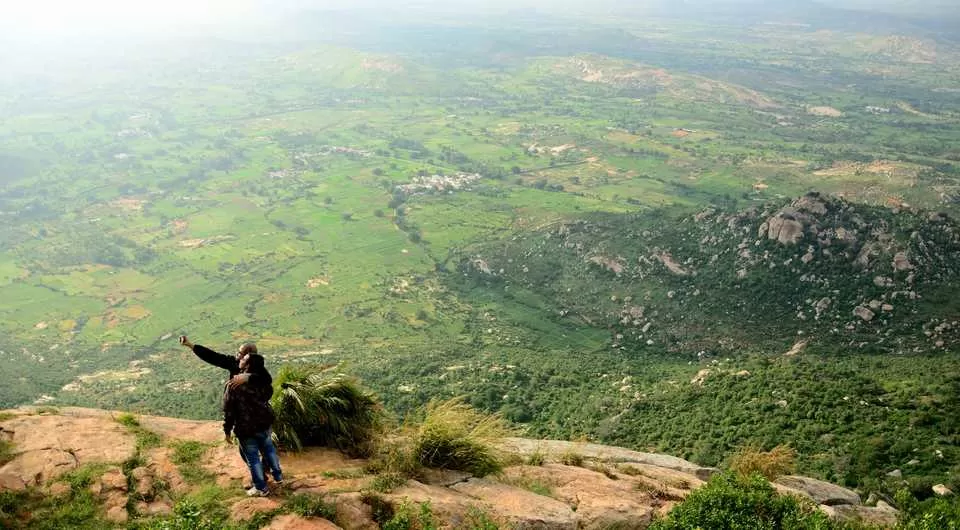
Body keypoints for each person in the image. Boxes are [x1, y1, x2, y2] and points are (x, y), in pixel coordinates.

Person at [178, 335, 277, 478]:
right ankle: (266, 473)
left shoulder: (259, 371)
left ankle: (263, 476)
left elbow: (267, 382)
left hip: (256, 417)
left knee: (255, 450)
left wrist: (248, 378)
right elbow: (214, 357)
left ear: (249, 356)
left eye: (240, 353)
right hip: (252, 417)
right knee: (257, 448)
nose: (237, 355)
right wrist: (191, 345)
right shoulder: (235, 364)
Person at [223, 353, 284, 497]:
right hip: (264, 423)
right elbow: (268, 394)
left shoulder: (233, 385)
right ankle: (278, 477)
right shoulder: (262, 383)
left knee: (253, 459)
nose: (240, 359)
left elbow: (229, 410)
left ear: (248, 365)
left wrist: (227, 430)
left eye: (244, 359)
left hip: (246, 428)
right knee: (269, 450)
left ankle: (261, 488)